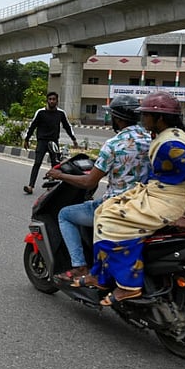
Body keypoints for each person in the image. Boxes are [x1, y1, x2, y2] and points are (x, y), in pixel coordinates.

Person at [90, 90, 185, 305]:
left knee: (107, 220)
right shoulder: (170, 135)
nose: (143, 119)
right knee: (105, 207)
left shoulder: (170, 144)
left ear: (159, 118)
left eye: (147, 115)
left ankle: (128, 285)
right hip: (159, 193)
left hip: (167, 201)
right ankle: (102, 275)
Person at [46, 95, 151, 287]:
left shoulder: (114, 144)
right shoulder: (151, 139)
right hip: (145, 205)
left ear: (118, 119)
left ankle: (79, 267)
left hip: (116, 206)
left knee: (66, 214)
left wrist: (59, 175)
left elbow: (89, 181)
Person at [22, 92, 80, 194]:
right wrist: (26, 139)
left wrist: (73, 139)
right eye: (50, 99)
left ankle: (51, 184)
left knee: (55, 164)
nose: (52, 101)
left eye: (54, 99)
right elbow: (32, 126)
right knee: (37, 163)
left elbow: (67, 126)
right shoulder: (40, 113)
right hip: (42, 141)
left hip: (54, 142)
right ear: (47, 100)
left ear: (57, 101)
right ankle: (30, 186)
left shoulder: (61, 113)